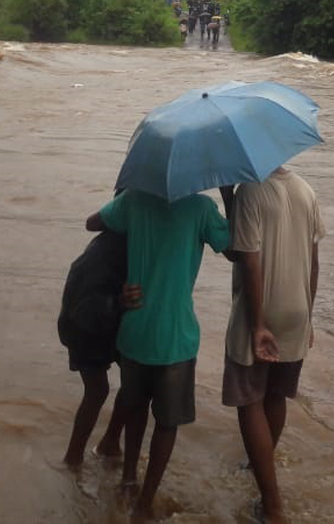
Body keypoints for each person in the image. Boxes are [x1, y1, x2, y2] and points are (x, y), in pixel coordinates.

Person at [86, 190, 230, 520]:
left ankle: (127, 481)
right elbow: (232, 245)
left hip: (135, 331)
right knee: (167, 424)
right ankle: (145, 502)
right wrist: (230, 197)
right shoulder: (201, 208)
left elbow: (93, 223)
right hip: (176, 339)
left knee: (134, 408)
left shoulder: (133, 202)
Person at [221, 167, 325, 523]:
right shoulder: (305, 189)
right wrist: (309, 314)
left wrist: (257, 324)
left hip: (262, 309)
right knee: (275, 395)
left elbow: (246, 259)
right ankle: (258, 467)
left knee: (249, 400)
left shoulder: (250, 191)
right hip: (298, 308)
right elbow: (313, 263)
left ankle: (273, 506)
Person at [58, 230, 138, 467]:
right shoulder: (107, 251)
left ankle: (109, 443)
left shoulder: (121, 237)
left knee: (134, 382)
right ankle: (73, 457)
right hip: (85, 323)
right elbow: (85, 309)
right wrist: (119, 303)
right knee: (98, 389)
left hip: (103, 316)